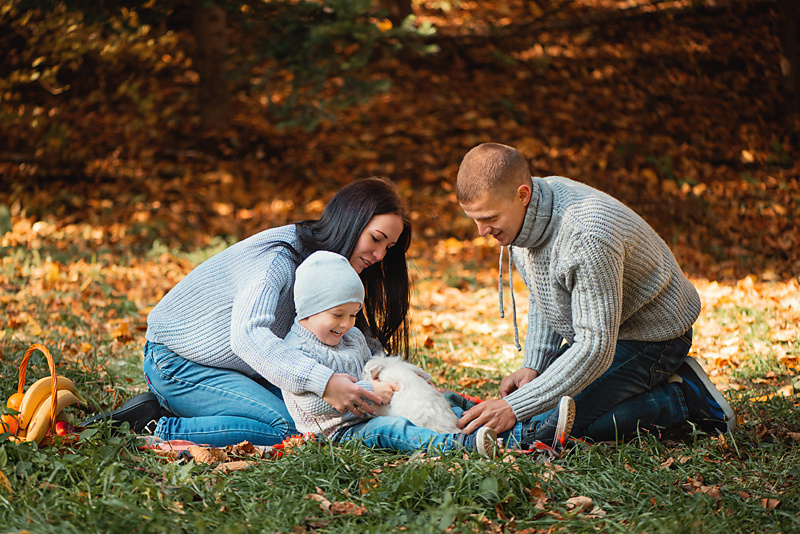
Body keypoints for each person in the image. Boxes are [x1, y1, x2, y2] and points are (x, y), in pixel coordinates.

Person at [83, 177, 414, 447]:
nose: (380, 254)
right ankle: (153, 425)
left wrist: (400, 382)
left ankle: (182, 410)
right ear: (351, 220)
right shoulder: (279, 259)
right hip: (176, 361)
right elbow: (248, 336)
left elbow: (363, 340)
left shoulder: (336, 272)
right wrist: (324, 382)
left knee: (311, 413)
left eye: (389, 247)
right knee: (292, 428)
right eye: (376, 239)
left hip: (241, 369)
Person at [454, 143, 735, 444]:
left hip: (653, 337)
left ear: (522, 195)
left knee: (556, 429)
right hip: (604, 332)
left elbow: (595, 348)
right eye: (475, 219)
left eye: (488, 219)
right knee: (546, 415)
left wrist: (513, 407)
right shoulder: (521, 219)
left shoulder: (586, 233)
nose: (481, 231)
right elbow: (545, 291)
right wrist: (534, 363)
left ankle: (684, 397)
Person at [281, 250, 498, 458]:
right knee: (392, 429)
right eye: (338, 314)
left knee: (443, 405)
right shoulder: (295, 351)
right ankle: (455, 445)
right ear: (308, 308)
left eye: (353, 315)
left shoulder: (351, 336)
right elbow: (313, 405)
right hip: (337, 432)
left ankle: (505, 432)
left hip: (370, 412)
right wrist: (370, 390)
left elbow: (368, 366)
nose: (346, 324)